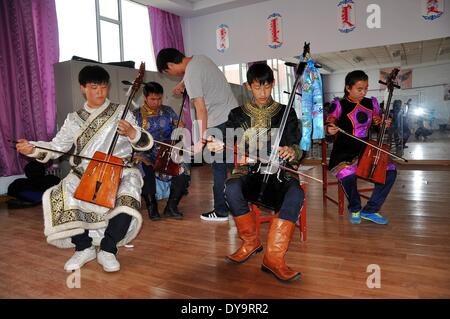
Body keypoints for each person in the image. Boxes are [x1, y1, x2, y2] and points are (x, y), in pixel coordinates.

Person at [16, 65, 153, 272]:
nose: (100, 92)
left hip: (120, 170)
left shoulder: (121, 112)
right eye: (94, 87)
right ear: (83, 88)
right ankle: (84, 247)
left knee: (128, 195)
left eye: (104, 87)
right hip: (86, 172)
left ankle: (108, 249)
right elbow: (57, 146)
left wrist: (133, 133)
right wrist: (32, 147)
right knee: (58, 193)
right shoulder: (73, 119)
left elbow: (143, 142)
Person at [207, 63, 304, 282]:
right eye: (257, 87)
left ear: (272, 84)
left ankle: (274, 257)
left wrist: (292, 151)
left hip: (278, 169)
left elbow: (297, 144)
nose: (262, 93)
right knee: (231, 187)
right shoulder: (237, 114)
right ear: (249, 86)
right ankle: (250, 242)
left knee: (296, 193)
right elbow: (221, 136)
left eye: (267, 87)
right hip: (249, 169)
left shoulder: (285, 112)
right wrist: (215, 142)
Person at [156, 48, 239, 222]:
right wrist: (182, 84)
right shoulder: (200, 58)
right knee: (234, 165)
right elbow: (193, 75)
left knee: (219, 168)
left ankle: (221, 211)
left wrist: (201, 141)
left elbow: (201, 109)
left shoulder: (191, 74)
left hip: (218, 123)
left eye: (168, 71)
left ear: (170, 65)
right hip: (233, 117)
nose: (171, 75)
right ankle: (241, 205)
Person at [326, 70, 396, 225]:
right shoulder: (339, 104)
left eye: (366, 88)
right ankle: (355, 207)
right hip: (343, 152)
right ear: (348, 88)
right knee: (348, 173)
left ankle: (370, 209)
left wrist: (384, 123)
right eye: (359, 89)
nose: (363, 92)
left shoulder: (371, 103)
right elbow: (328, 124)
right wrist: (329, 129)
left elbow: (378, 126)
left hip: (366, 149)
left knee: (390, 170)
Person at [133, 81, 190, 221]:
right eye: (153, 99)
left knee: (183, 167)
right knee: (144, 167)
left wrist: (180, 129)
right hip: (145, 152)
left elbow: (179, 131)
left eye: (159, 99)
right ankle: (152, 206)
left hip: (166, 151)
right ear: (145, 98)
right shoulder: (136, 115)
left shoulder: (168, 111)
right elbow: (133, 138)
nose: (157, 102)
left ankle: (171, 206)